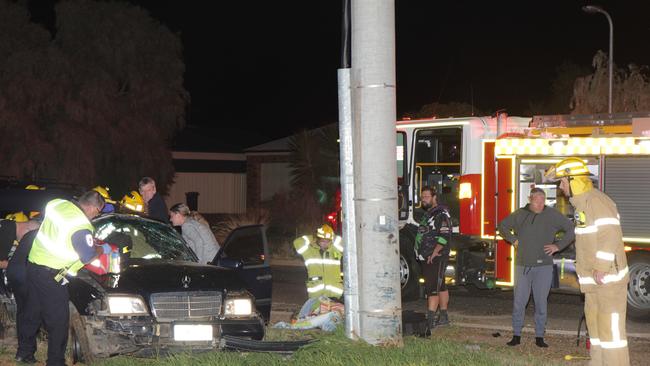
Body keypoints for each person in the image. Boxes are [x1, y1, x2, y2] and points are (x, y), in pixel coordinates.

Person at [550, 157, 629, 365]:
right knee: (595, 330)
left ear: (574, 180)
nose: (560, 186)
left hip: (608, 281)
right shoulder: (582, 205)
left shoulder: (596, 201)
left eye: (563, 182)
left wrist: (602, 267)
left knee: (611, 334)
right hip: (593, 284)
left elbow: (610, 234)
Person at [20, 191, 107, 365]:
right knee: (59, 322)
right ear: (90, 207)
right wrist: (100, 248)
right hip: (51, 275)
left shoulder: (57, 203)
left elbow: (59, 233)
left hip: (33, 265)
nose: (96, 215)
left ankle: (24, 353)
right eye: (97, 211)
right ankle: (55, 361)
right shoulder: (81, 225)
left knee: (32, 311)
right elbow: (88, 256)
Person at [497, 187, 575, 348]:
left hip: (544, 267)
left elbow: (571, 229)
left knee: (541, 303)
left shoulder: (552, 215)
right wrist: (513, 239)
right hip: (522, 266)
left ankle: (540, 336)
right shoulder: (520, 214)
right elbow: (502, 226)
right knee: (519, 302)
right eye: (537, 200)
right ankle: (516, 335)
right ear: (530, 199)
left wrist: (558, 246)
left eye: (542, 200)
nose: (540, 204)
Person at [414, 187, 453, 332]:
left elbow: (444, 236)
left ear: (434, 197)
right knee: (440, 285)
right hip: (426, 256)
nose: (423, 199)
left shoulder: (441, 214)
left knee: (432, 289)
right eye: (422, 196)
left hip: (434, 257)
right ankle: (443, 317)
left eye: (426, 196)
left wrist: (435, 252)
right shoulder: (429, 214)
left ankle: (429, 321)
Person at [293, 224, 344, 299]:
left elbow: (346, 244)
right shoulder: (309, 251)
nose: (325, 243)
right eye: (323, 241)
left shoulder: (336, 249)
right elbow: (297, 243)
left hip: (335, 294)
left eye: (328, 241)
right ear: (318, 239)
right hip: (316, 294)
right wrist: (312, 238)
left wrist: (333, 237)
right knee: (314, 310)